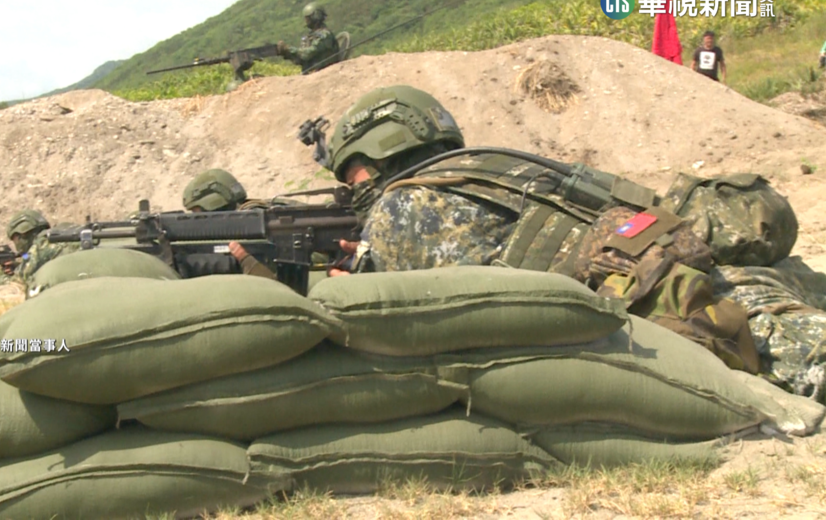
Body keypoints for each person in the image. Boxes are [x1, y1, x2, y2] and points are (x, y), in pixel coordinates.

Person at [322, 85, 760, 374]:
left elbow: (423, 318)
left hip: (661, 312)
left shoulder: (401, 205)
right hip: (685, 265)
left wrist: (357, 288)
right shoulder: (486, 166)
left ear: (380, 149)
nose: (353, 188)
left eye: (353, 174)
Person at [0, 209, 78, 286]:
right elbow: (29, 257)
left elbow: (15, 283)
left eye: (15, 239)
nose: (16, 244)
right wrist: (21, 263)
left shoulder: (41, 245)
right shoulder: (58, 233)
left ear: (23, 234)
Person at [277, 2, 341, 75]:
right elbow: (301, 59)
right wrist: (287, 54)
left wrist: (289, 49)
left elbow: (307, 54)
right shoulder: (309, 37)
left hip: (324, 72)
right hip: (310, 74)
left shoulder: (325, 35)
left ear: (316, 16)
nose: (306, 21)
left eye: (308, 18)